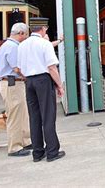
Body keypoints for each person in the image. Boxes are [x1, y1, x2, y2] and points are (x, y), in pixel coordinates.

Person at [17, 17, 65, 162]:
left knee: (34, 117)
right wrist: (59, 85)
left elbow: (19, 69)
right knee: (48, 116)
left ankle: (37, 153)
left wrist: (29, 77)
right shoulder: (45, 44)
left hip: (29, 82)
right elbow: (51, 67)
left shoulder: (22, 45)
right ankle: (52, 152)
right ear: (43, 28)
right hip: (43, 81)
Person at [0, 22, 32, 157]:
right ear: (21, 34)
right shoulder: (13, 47)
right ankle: (15, 147)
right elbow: (17, 68)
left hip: (13, 83)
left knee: (22, 113)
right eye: (26, 35)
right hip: (13, 84)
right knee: (15, 116)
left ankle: (25, 140)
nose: (26, 38)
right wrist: (30, 76)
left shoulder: (7, 45)